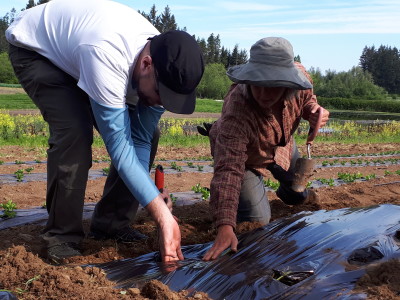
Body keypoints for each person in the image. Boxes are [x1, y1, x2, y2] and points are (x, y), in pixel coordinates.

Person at [6, 0, 204, 264]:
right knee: (74, 133)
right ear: (146, 65)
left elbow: (140, 139)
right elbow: (121, 147)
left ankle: (111, 225)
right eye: (160, 94)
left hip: (81, 54)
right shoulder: (106, 53)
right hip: (38, 51)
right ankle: (61, 237)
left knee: (151, 134)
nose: (160, 103)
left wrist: (150, 194)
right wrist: (161, 215)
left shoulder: (160, 67)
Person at [198, 37, 329, 261]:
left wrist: (313, 110)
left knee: (297, 195)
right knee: (256, 222)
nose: (264, 93)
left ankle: (289, 191)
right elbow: (228, 171)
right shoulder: (237, 110)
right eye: (258, 83)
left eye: (274, 86)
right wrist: (225, 225)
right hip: (247, 158)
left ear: (288, 84)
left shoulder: (300, 79)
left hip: (280, 145)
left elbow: (308, 99)